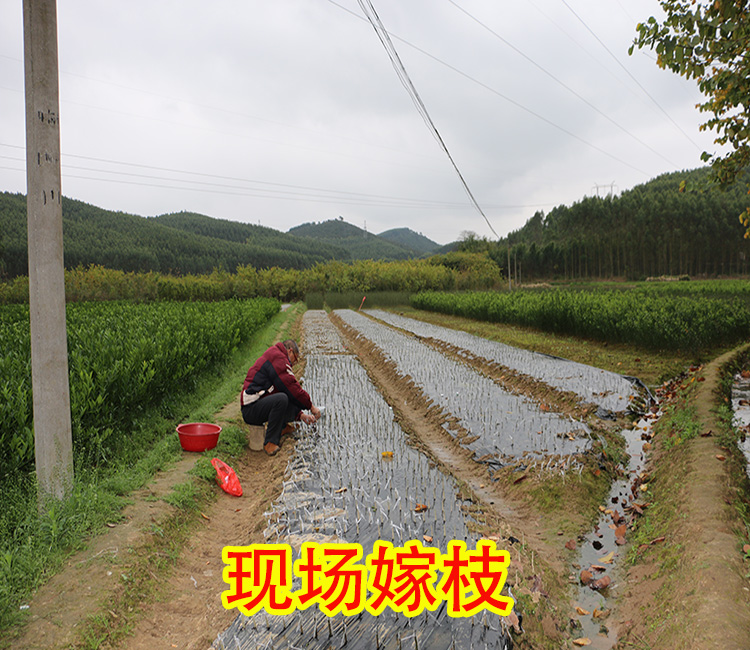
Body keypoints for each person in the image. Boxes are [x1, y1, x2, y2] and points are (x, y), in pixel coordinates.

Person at [240, 339, 320, 456]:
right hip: (250, 408)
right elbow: (291, 387)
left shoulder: (276, 355)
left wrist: (301, 415)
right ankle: (270, 443)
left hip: (258, 403)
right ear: (290, 351)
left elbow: (281, 389)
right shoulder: (278, 358)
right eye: (295, 359)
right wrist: (311, 406)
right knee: (281, 399)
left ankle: (282, 427)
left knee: (283, 396)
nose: (294, 363)